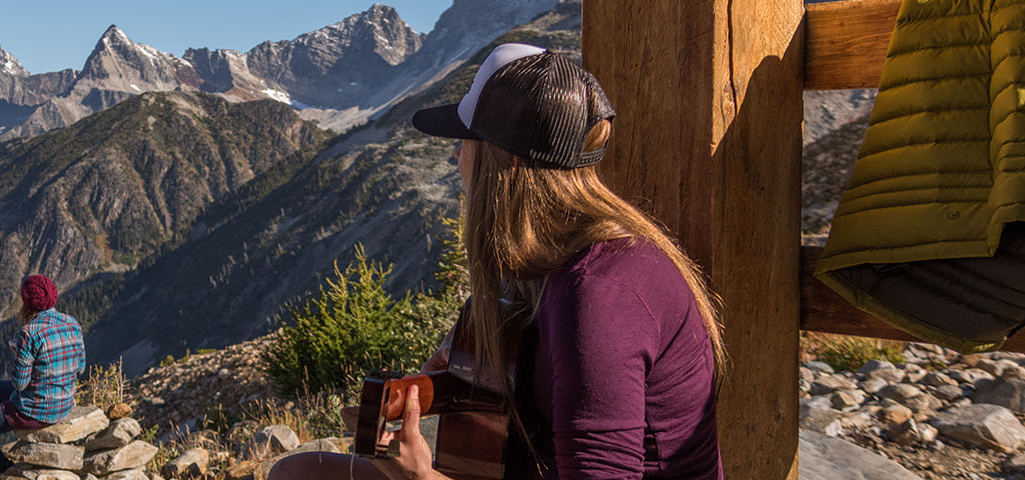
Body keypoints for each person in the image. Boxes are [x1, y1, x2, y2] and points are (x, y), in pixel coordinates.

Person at [269, 44, 725, 480]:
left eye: (465, 141)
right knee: (296, 472)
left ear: (501, 160)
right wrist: (440, 384)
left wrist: (422, 475)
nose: (456, 155)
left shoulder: (600, 294)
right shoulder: (547, 262)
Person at [0, 274, 86, 478]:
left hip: (35, 410)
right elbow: (80, 368)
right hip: (64, 402)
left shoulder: (29, 332)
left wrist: (19, 356)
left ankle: (3, 468)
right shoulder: (72, 322)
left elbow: (20, 384)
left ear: (27, 303)